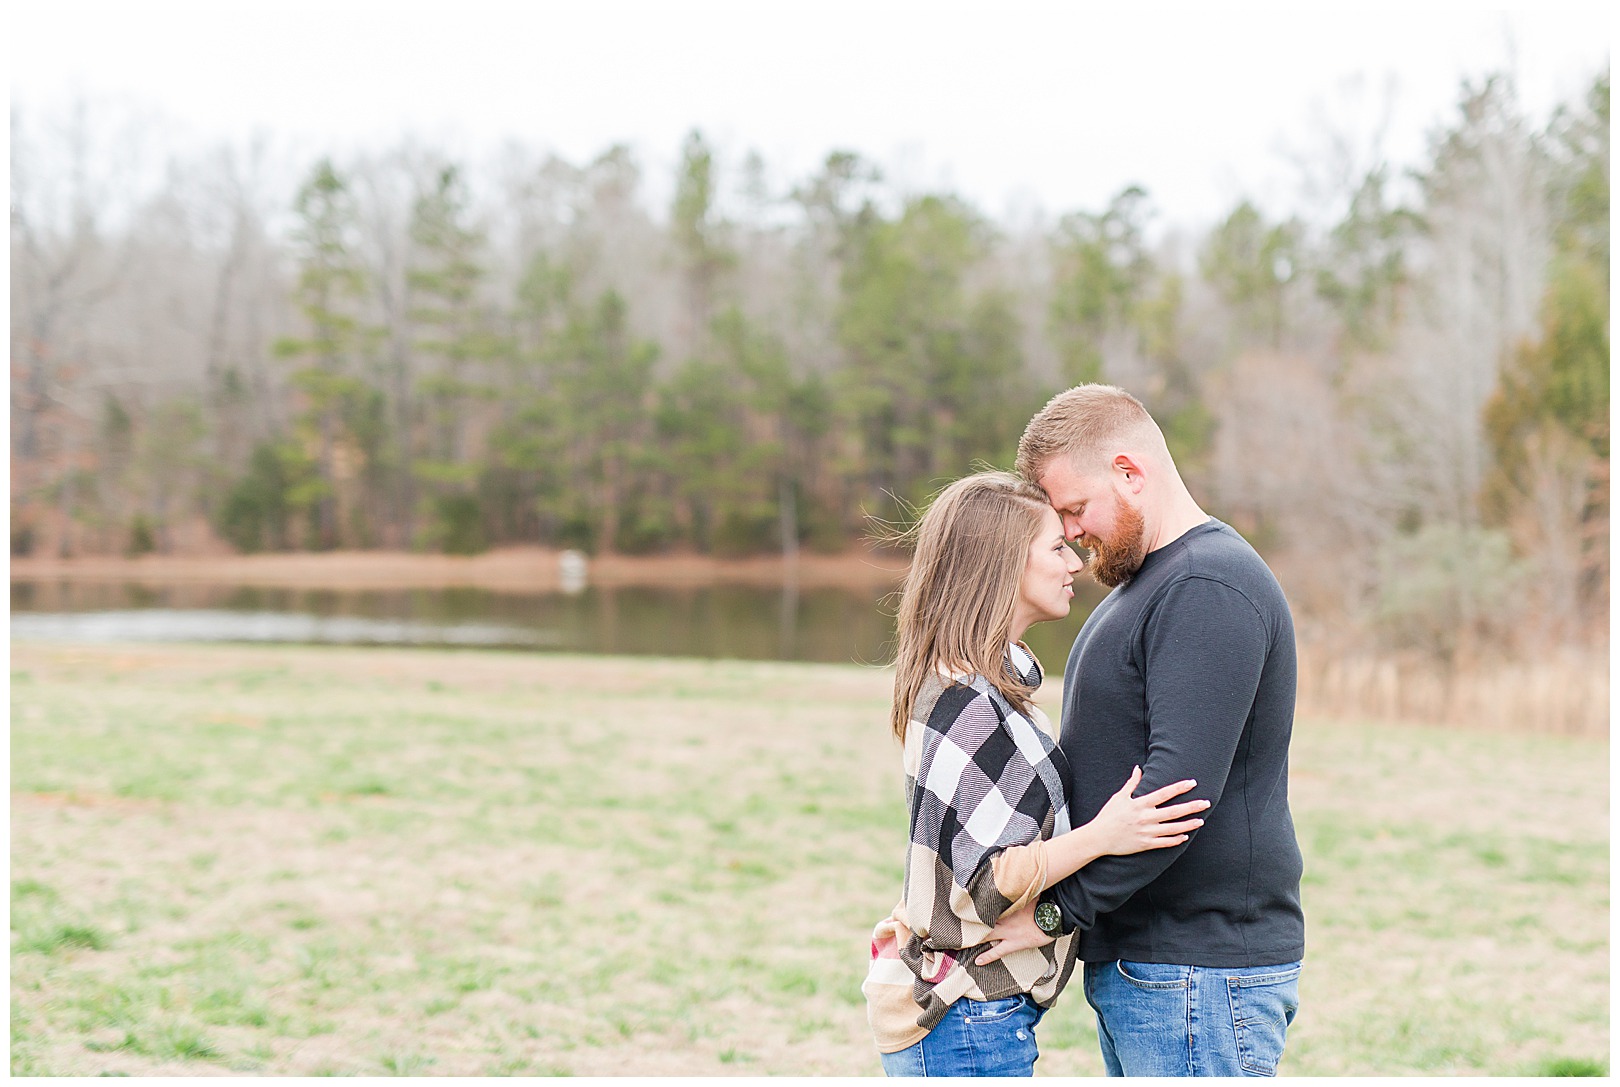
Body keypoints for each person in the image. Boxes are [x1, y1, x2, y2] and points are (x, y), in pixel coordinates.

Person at [975, 384, 1305, 1077]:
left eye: (1075, 508)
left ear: (1129, 472)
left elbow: (1173, 795)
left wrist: (1055, 912)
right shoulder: (1151, 583)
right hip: (1159, 969)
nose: (1070, 531)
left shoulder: (1207, 584)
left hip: (1197, 971)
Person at [863, 470, 1210, 1077]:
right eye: (1054, 547)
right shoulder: (964, 703)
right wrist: (1108, 834)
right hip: (965, 1018)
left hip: (983, 1015)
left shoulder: (993, 687)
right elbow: (990, 879)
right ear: (1002, 567)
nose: (1074, 560)